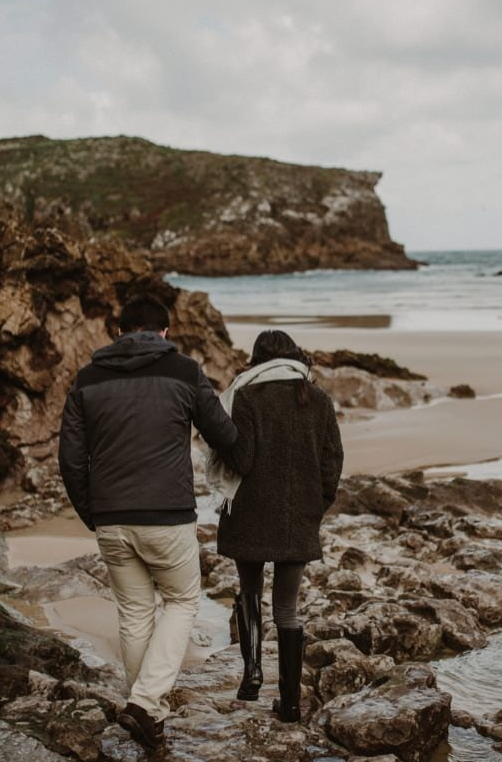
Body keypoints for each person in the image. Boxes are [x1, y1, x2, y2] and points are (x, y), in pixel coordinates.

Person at [58, 294, 237, 750]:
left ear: (118, 332)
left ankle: (147, 717)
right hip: (167, 515)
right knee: (181, 602)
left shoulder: (87, 378)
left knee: (136, 613)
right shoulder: (183, 370)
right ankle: (143, 703)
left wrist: (93, 514)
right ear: (166, 332)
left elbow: (71, 460)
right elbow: (223, 434)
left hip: (112, 518)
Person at [210, 329, 344, 723]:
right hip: (297, 517)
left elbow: (243, 460)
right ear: (294, 356)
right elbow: (332, 461)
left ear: (256, 360)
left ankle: (252, 675)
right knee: (288, 607)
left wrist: (221, 444)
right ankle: (289, 704)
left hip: (249, 513)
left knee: (249, 591)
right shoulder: (317, 398)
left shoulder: (245, 396)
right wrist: (315, 508)